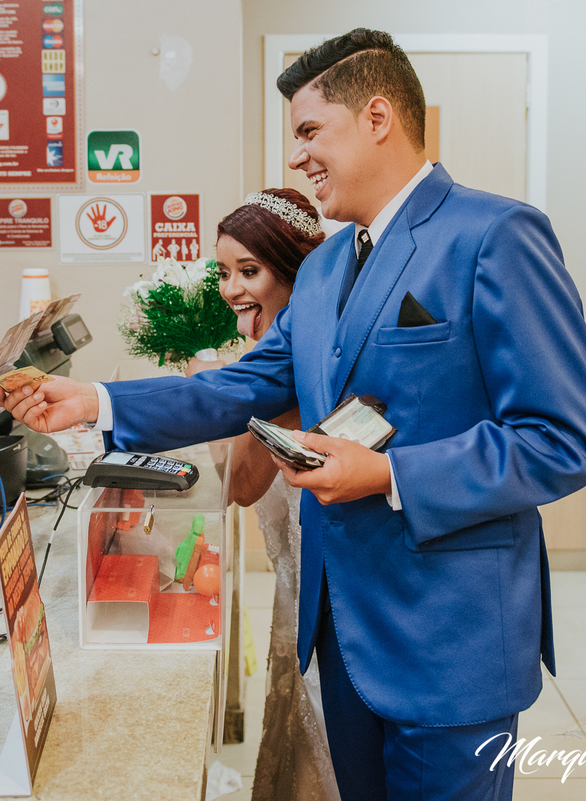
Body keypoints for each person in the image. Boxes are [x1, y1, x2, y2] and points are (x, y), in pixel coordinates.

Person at [0, 29, 586, 800]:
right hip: (339, 634)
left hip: (448, 640)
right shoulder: (322, 268)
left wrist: (386, 472)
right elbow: (243, 385)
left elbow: (565, 439)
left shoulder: (494, 236)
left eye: (310, 131)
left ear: (377, 117)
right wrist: (95, 400)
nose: (297, 158)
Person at [186, 189, 337, 801]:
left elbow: (243, 485)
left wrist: (218, 392)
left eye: (249, 271)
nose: (231, 289)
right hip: (293, 584)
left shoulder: (298, 362)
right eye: (224, 272)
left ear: (294, 272)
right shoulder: (277, 345)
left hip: (326, 591)